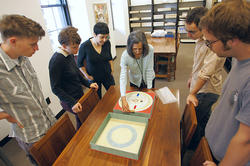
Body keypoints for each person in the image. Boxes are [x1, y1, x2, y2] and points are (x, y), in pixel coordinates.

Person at [0, 14, 56, 165]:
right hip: (32, 136)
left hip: (50, 123)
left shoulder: (23, 57)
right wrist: (5, 115)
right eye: (32, 44)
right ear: (13, 41)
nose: (37, 49)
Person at [199, 1, 250, 166]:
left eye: (211, 42)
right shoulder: (238, 59)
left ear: (232, 40)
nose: (209, 47)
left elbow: (245, 142)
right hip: (213, 148)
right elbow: (234, 99)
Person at [185, 7, 226, 149]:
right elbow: (198, 63)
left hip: (207, 90)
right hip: (200, 87)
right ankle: (204, 144)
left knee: (194, 121)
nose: (188, 35)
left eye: (192, 31)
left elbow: (206, 73)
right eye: (187, 30)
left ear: (204, 28)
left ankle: (195, 149)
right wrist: (192, 76)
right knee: (204, 118)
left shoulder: (213, 43)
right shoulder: (200, 39)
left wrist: (192, 93)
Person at [49, 27, 98, 130]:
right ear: (63, 46)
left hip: (78, 94)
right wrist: (72, 102)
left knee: (83, 118)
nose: (77, 50)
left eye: (78, 46)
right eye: (74, 47)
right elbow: (55, 88)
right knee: (82, 119)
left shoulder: (70, 54)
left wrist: (89, 84)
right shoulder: (56, 61)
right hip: (68, 100)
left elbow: (77, 74)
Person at [77, 22, 115, 98]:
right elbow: (79, 64)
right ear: (94, 34)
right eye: (102, 37)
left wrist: (112, 69)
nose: (104, 40)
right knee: (97, 98)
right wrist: (87, 76)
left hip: (107, 74)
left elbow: (109, 57)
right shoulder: (85, 46)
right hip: (94, 77)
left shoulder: (107, 43)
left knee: (113, 94)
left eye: (106, 37)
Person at [120, 31, 155, 112]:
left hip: (149, 80)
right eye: (134, 49)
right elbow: (123, 76)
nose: (138, 52)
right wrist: (123, 97)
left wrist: (149, 88)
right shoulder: (125, 55)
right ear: (130, 47)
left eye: (140, 49)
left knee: (148, 106)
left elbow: (150, 69)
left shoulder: (150, 50)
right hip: (134, 81)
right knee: (135, 105)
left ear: (144, 46)